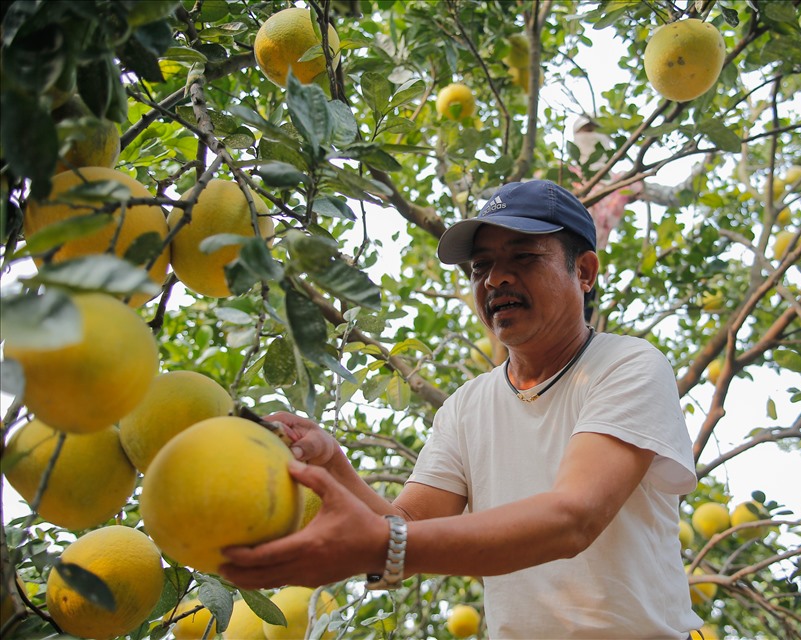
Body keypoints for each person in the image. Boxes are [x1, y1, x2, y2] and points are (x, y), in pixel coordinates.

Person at [220, 179, 703, 639]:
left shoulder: (628, 365)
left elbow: (573, 518)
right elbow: (405, 528)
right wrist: (333, 465)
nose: (496, 278)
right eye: (480, 266)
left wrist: (384, 547)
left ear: (585, 271)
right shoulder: (466, 406)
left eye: (523, 257)